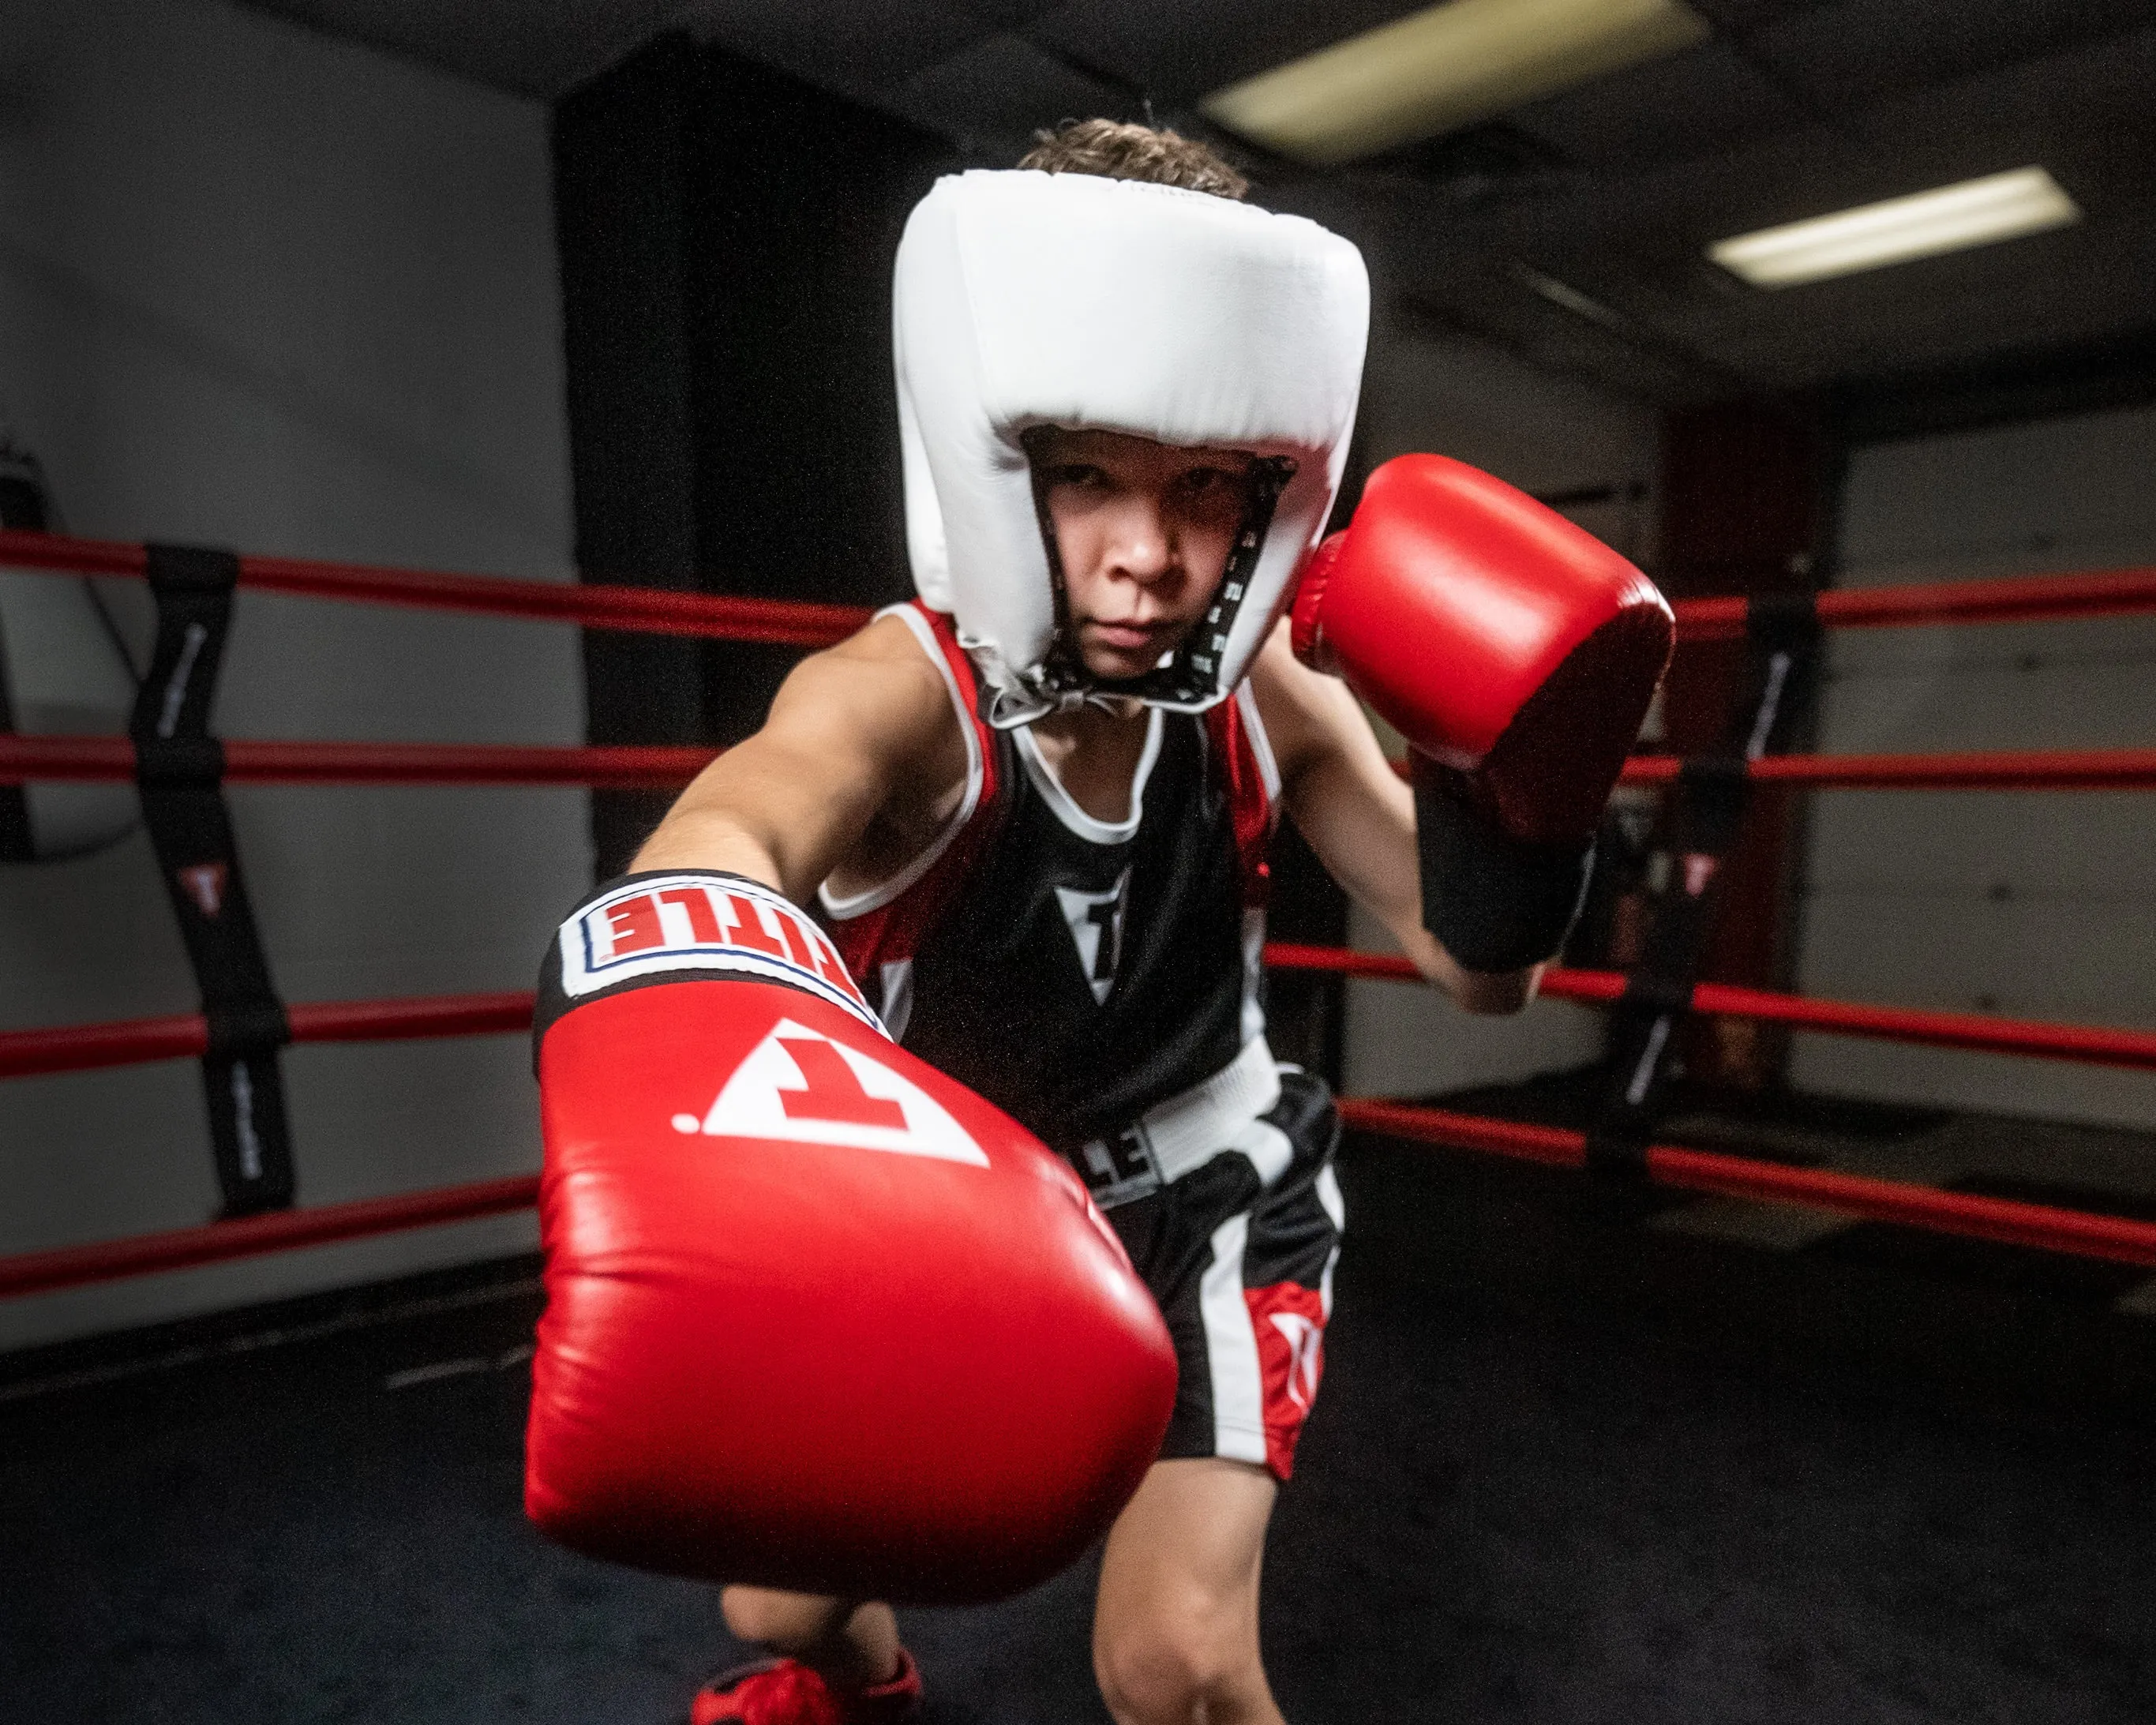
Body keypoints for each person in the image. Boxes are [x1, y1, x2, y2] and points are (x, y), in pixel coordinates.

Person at [534, 121, 1671, 1725]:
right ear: (994, 461)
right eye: (1088, 479)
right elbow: (741, 820)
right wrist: (701, 951)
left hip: (1211, 1185)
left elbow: (1480, 971)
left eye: (1206, 486)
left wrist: (1518, 795)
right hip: (959, 1212)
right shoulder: (900, 698)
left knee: (1178, 1669)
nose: (1149, 553)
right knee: (780, 1602)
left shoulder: (1264, 691)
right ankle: (861, 1696)